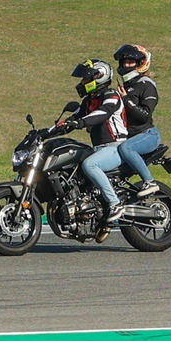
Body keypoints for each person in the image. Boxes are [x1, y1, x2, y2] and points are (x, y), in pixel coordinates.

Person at [58, 60, 129, 226]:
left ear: (99, 77)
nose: (82, 83)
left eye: (85, 79)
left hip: (116, 147)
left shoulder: (111, 96)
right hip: (99, 149)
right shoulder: (88, 101)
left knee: (90, 165)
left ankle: (115, 204)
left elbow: (101, 114)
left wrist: (79, 123)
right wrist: (47, 132)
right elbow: (73, 118)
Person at [113, 44, 162, 196]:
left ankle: (149, 181)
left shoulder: (146, 85)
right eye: (124, 62)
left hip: (147, 134)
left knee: (127, 148)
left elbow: (145, 115)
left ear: (141, 64)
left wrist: (126, 99)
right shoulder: (127, 85)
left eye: (130, 62)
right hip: (128, 136)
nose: (126, 65)